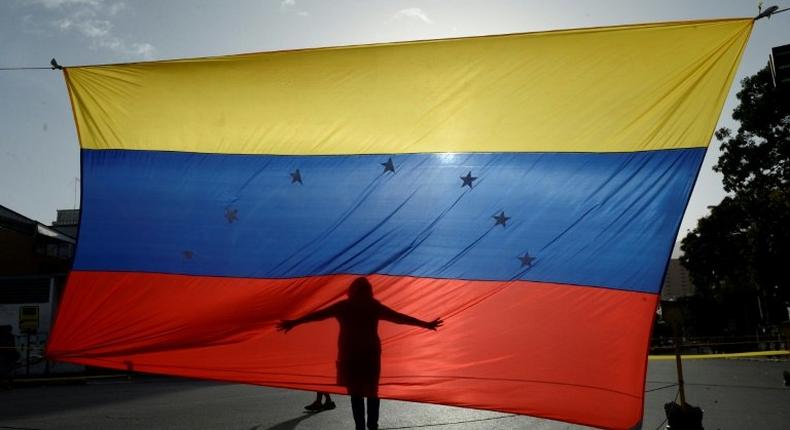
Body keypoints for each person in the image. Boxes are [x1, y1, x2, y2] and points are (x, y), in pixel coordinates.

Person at [277, 277, 443, 430]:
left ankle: (360, 427)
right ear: (369, 291)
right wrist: (425, 324)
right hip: (371, 355)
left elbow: (318, 315)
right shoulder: (373, 306)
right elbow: (399, 318)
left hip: (350, 356)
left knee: (356, 394)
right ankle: (372, 426)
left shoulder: (343, 306)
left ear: (351, 290)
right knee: (372, 392)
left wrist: (295, 322)